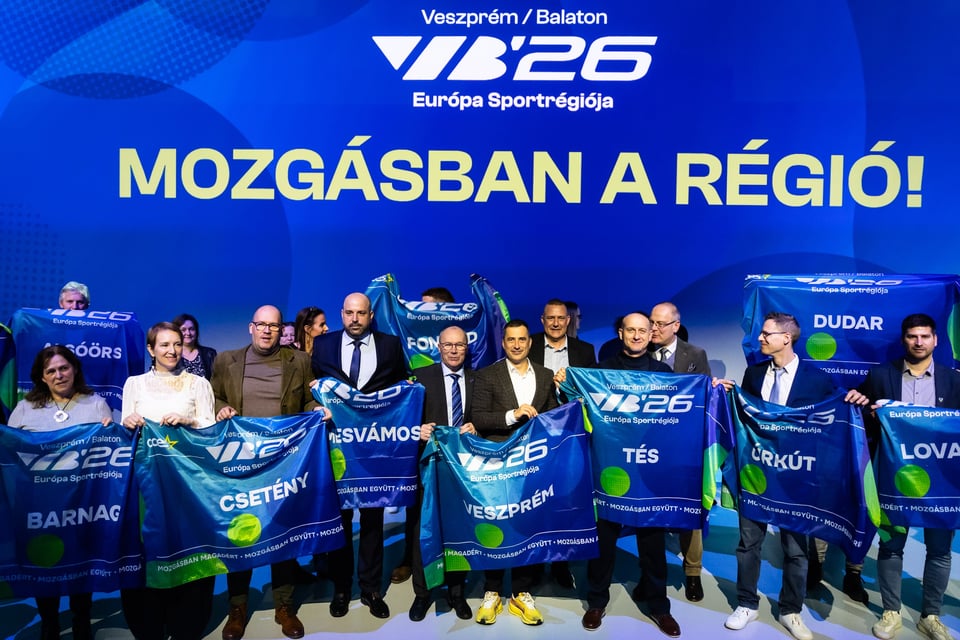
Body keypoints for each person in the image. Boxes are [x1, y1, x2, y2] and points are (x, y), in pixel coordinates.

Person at [721, 311, 866, 640]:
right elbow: (745, 418)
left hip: (796, 479)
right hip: (757, 473)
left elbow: (833, 416)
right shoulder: (754, 373)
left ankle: (790, 610)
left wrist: (854, 400)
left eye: (766, 333)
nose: (760, 338)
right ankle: (746, 603)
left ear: (786, 338)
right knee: (748, 543)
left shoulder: (817, 379)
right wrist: (724, 391)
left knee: (797, 549)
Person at [212, 305, 320, 640]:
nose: (267, 330)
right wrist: (221, 409)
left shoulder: (299, 361)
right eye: (261, 324)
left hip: (283, 463)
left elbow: (306, 401)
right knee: (240, 534)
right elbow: (213, 396)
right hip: (240, 464)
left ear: (280, 329)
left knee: (282, 532)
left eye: (273, 325)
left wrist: (316, 408)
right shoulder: (226, 360)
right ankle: (237, 607)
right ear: (251, 327)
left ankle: (284, 606)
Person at [859, 313, 960, 640]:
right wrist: (868, 410)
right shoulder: (880, 375)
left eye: (925, 336)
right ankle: (891, 612)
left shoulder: (954, 380)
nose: (919, 342)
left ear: (936, 340)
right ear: (904, 339)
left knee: (940, 550)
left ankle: (931, 615)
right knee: (891, 547)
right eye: (912, 336)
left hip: (941, 483)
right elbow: (862, 416)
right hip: (893, 479)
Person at [578, 312, 680, 636]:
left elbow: (676, 421)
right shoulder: (601, 372)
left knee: (652, 544)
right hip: (610, 472)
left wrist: (713, 389)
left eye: (642, 331)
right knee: (604, 541)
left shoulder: (664, 374)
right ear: (620, 333)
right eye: (630, 330)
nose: (636, 336)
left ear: (651, 334)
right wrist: (565, 381)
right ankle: (596, 602)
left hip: (648, 473)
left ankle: (659, 606)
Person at [312, 292, 409, 619]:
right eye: (349, 313)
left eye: (361, 313)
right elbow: (313, 388)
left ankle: (370, 589)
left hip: (374, 450)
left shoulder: (390, 346)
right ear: (342, 313)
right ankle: (341, 588)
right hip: (338, 449)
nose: (355, 319)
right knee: (339, 521)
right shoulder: (323, 345)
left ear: (371, 315)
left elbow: (402, 388)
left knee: (372, 521)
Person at [6, 345, 111, 640]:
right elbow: (10, 450)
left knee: (81, 561)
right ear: (42, 377)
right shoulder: (25, 407)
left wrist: (109, 430)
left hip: (83, 502)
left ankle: (81, 622)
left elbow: (110, 450)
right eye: (50, 371)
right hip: (38, 504)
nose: (58, 375)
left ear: (74, 369)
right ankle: (49, 623)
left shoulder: (96, 404)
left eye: (64, 368)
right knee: (44, 561)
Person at [119, 322, 216, 640]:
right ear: (151, 349)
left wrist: (189, 421)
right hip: (146, 487)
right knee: (150, 549)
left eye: (176, 344)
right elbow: (126, 434)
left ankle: (186, 623)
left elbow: (211, 433)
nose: (172, 351)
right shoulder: (134, 384)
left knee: (188, 548)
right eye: (164, 345)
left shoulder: (199, 384)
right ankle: (149, 623)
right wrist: (128, 422)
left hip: (189, 486)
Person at [470, 319, 559, 626]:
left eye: (522, 339)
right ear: (503, 343)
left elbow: (551, 415)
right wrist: (513, 414)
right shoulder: (487, 375)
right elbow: (479, 418)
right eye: (511, 340)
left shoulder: (545, 375)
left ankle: (521, 592)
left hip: (532, 464)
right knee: (496, 523)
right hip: (497, 464)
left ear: (530, 342)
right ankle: (492, 591)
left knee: (526, 525)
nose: (517, 345)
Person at [408, 325, 475, 622]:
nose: (453, 350)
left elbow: (483, 416)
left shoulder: (477, 378)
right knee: (424, 529)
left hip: (462, 471)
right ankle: (422, 593)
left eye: (459, 345)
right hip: (429, 467)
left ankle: (457, 593)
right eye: (448, 345)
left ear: (467, 348)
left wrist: (477, 427)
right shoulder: (420, 378)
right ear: (438, 347)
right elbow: (402, 418)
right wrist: (417, 430)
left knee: (459, 530)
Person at [528, 298, 595, 590]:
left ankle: (560, 563)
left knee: (564, 498)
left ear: (568, 321)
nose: (556, 323)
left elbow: (591, 391)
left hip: (570, 435)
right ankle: (532, 563)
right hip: (534, 432)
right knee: (533, 498)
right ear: (542, 320)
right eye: (550, 318)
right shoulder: (528, 345)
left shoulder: (585, 351)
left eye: (561, 318)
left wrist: (572, 383)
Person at [393, 286, 456, 585]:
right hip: (423, 450)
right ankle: (411, 562)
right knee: (417, 511)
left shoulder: (461, 349)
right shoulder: (416, 359)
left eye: (427, 307)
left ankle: (454, 576)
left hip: (456, 450)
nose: (421, 312)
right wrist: (414, 429)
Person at [649, 302, 711, 602]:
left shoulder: (695, 355)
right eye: (652, 322)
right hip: (648, 447)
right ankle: (651, 574)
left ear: (676, 326)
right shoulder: (640, 352)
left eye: (660, 324)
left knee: (689, 511)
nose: (654, 329)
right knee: (649, 511)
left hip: (684, 449)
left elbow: (704, 397)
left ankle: (692, 573)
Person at [173, 313, 217, 380]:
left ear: (196, 331)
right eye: (183, 330)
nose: (188, 333)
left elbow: (218, 380)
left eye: (191, 329)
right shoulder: (171, 355)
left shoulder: (210, 354)